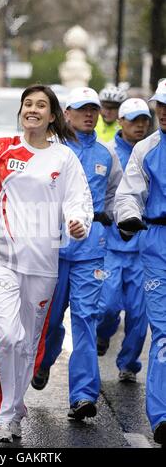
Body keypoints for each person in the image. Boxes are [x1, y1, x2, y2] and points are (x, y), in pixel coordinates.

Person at [0, 84, 94, 442]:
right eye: (28, 104)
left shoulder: (64, 158)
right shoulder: (2, 149)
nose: (33, 109)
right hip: (0, 257)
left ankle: (14, 406)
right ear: (21, 112)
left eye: (41, 105)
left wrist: (78, 224)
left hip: (42, 262)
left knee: (27, 344)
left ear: (53, 115)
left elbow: (78, 202)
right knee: (8, 336)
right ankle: (5, 415)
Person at [31, 87, 122, 421]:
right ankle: (42, 362)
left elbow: (115, 194)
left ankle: (83, 395)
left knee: (86, 320)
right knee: (51, 321)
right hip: (52, 252)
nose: (89, 115)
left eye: (93, 110)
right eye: (81, 109)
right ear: (66, 113)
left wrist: (117, 217)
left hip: (90, 252)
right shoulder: (52, 151)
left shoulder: (106, 155)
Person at [114, 79, 166, 447]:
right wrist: (130, 215)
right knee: (164, 332)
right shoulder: (146, 148)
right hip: (158, 243)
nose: (162, 111)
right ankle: (162, 417)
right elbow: (129, 192)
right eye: (159, 105)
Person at [96, 98, 151, 383]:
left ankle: (129, 363)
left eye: (144, 120)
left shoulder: (153, 151)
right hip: (112, 246)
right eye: (133, 120)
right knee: (107, 306)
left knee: (140, 315)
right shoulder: (107, 153)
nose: (139, 125)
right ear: (121, 121)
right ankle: (103, 334)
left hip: (143, 247)